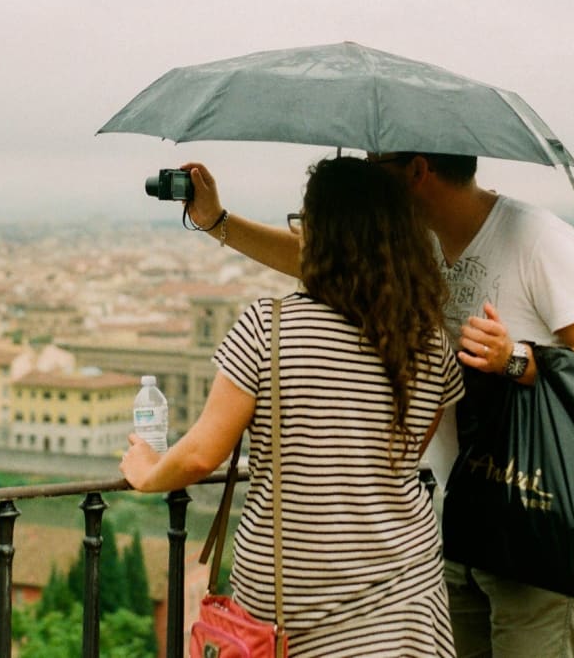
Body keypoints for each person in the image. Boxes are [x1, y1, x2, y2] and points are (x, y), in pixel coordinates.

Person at [177, 151, 574, 658]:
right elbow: (325, 256)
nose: (368, 167)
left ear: (416, 170)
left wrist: (515, 359)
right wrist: (216, 222)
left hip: (537, 524)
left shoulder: (538, 240)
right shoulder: (414, 245)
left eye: (378, 161)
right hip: (454, 523)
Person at [120, 156, 464, 657]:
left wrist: (148, 472)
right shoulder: (430, 343)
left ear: (318, 236)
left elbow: (200, 455)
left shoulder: (270, 328)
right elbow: (409, 453)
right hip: (407, 602)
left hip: (295, 619)